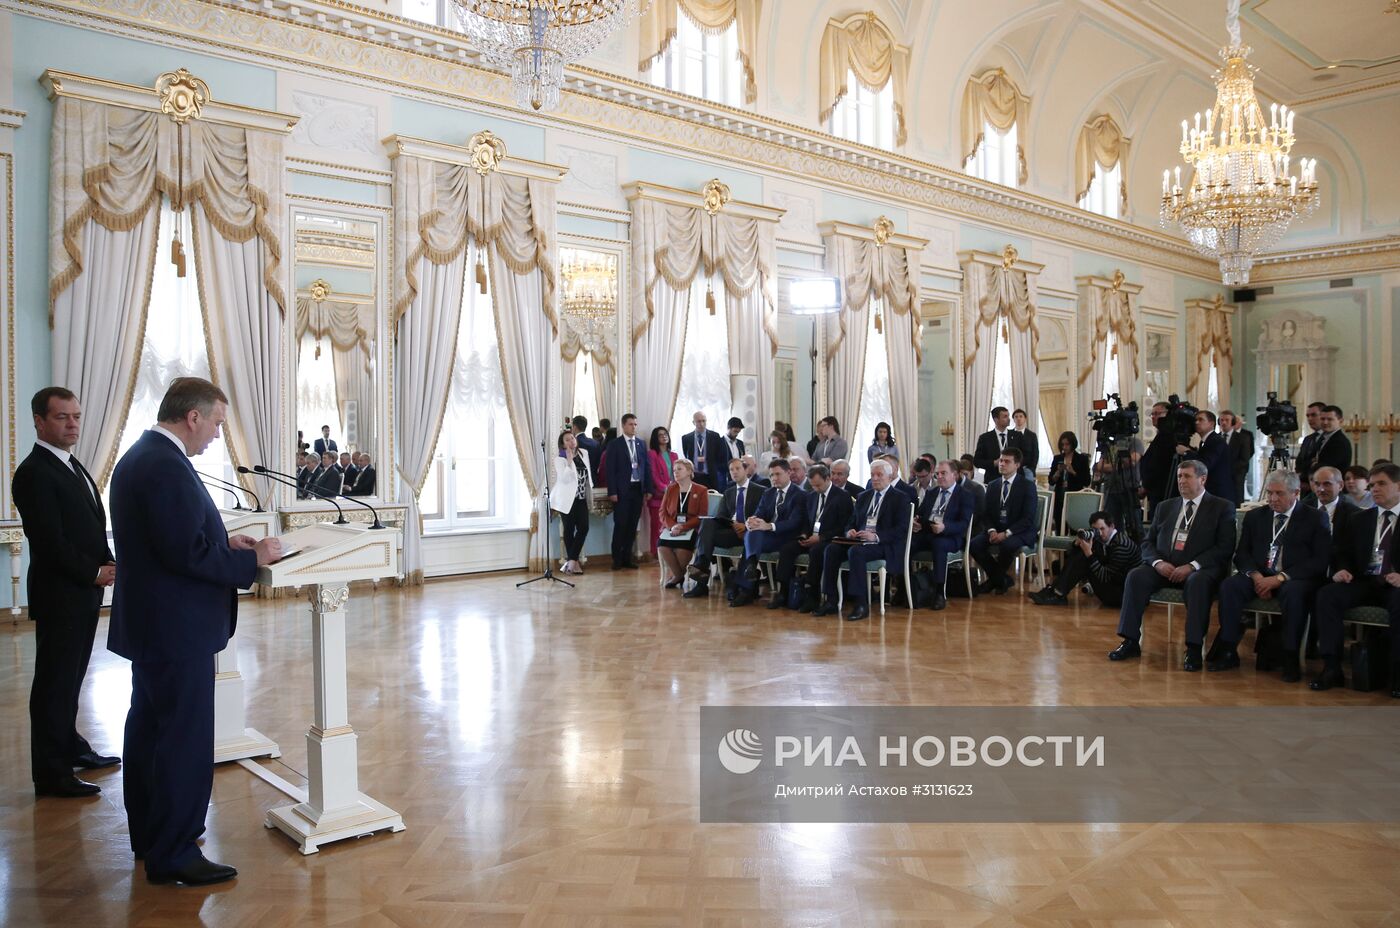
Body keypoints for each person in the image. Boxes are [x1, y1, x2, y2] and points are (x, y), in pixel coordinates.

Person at [108, 377, 283, 886]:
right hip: (175, 628)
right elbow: (184, 555)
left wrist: (225, 540)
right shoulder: (165, 465)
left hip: (156, 625)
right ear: (193, 417)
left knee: (149, 730)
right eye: (216, 424)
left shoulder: (141, 456)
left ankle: (151, 834)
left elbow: (173, 538)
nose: (215, 436)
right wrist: (251, 559)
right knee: (182, 738)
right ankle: (175, 851)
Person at [11, 387, 119, 799]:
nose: (72, 423)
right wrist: (94, 572)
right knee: (54, 683)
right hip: (62, 594)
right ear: (40, 421)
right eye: (62, 417)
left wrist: (106, 561)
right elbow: (49, 541)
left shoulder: (71, 465)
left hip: (81, 593)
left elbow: (89, 526)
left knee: (71, 680)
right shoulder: (34, 472)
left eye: (76, 415)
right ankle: (51, 773)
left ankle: (70, 746)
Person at [1108, 460, 1236, 672]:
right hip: (1165, 566)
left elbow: (1225, 547)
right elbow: (1147, 542)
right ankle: (1130, 641)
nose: (1181, 481)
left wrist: (1192, 566)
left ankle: (1194, 648)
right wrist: (1158, 563)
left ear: (1202, 479)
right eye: (1179, 476)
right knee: (1136, 576)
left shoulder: (1221, 507)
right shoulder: (1165, 506)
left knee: (1197, 583)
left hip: (1200, 569)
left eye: (1187, 476)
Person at [1215, 470, 1330, 678]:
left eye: (1279, 493)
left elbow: (1319, 561)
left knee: (1294, 594)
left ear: (1296, 493)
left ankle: (1290, 655)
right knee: (1230, 586)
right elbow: (1242, 554)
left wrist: (1279, 579)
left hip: (1294, 578)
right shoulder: (1255, 517)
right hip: (1259, 575)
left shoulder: (1315, 518)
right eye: (1269, 493)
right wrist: (1257, 577)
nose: (1273, 499)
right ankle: (1228, 648)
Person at [1309, 462, 1400, 694]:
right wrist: (1342, 568)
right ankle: (1331, 667)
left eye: (1381, 484)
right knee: (1328, 595)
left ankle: (1396, 673)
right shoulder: (1361, 518)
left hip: (1396, 585)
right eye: (1371, 485)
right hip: (1365, 581)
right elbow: (1343, 553)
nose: (1374, 489)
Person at [814, 459, 911, 622]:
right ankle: (830, 599)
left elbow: (901, 529)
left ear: (890, 476)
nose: (875, 478)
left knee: (856, 552)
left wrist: (876, 536)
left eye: (879, 475)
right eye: (872, 475)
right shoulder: (863, 496)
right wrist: (849, 531)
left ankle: (861, 603)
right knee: (831, 549)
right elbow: (852, 521)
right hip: (859, 540)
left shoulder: (900, 498)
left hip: (883, 544)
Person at [774, 464, 853, 613]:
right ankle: (784, 592)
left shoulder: (842, 496)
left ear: (828, 478)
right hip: (811, 536)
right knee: (787, 549)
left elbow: (843, 526)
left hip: (830, 539)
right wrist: (804, 534)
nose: (815, 488)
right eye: (812, 485)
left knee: (817, 551)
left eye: (818, 485)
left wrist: (821, 537)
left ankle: (813, 596)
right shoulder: (810, 496)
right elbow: (805, 521)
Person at [731, 459, 808, 607]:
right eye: (771, 475)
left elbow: (795, 522)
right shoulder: (768, 492)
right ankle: (751, 568)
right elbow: (759, 513)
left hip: (787, 536)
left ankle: (746, 589)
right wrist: (751, 521)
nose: (774, 478)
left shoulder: (799, 494)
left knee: (749, 543)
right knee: (752, 532)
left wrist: (770, 526)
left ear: (789, 473)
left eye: (778, 474)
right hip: (767, 536)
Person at [684, 457, 762, 598]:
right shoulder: (729, 492)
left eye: (738, 468)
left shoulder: (760, 490)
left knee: (705, 537)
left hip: (751, 534)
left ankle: (701, 570)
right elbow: (721, 517)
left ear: (746, 470)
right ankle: (701, 581)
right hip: (731, 533)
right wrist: (734, 525)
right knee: (707, 523)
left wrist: (745, 526)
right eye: (731, 470)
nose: (734, 472)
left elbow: (763, 515)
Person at [1029, 510, 1140, 608]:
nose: (1100, 533)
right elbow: (1072, 554)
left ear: (1112, 526)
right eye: (1096, 530)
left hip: (1123, 596)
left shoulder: (1121, 545)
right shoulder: (1104, 538)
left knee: (1085, 557)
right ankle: (1056, 592)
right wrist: (1077, 544)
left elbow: (1105, 576)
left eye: (1102, 528)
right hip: (1114, 586)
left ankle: (1056, 593)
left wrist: (1089, 553)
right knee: (1082, 551)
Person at [969, 447, 1039, 595]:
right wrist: (992, 530)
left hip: (1020, 531)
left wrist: (1006, 533)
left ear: (1017, 465)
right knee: (974, 545)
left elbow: (1028, 518)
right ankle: (1001, 579)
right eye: (1001, 460)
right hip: (996, 529)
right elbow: (986, 514)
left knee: (1007, 545)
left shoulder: (1027, 486)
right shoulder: (993, 485)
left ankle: (993, 581)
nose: (1002, 464)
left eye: (1007, 461)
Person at [911, 460, 975, 610]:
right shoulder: (932, 492)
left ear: (955, 475)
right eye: (937, 474)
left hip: (951, 537)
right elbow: (920, 514)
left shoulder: (965, 495)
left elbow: (964, 524)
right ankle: (907, 587)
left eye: (943, 473)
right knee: (907, 544)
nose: (939, 477)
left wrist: (945, 527)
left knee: (939, 545)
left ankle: (939, 592)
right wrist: (916, 521)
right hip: (928, 532)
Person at [605, 414, 653, 570]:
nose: (634, 427)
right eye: (631, 424)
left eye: (635, 424)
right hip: (621, 491)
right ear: (623, 426)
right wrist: (612, 491)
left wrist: (648, 489)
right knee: (621, 525)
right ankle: (616, 559)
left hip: (637, 490)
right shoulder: (615, 444)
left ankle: (627, 557)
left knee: (632, 525)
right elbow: (610, 470)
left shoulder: (640, 444)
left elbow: (646, 467)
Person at [657, 458, 707, 588]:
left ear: (689, 471)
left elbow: (702, 516)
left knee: (682, 550)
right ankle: (680, 575)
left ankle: (676, 577)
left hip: (692, 529)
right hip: (672, 528)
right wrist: (673, 526)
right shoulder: (671, 489)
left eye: (679, 469)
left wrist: (683, 527)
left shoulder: (701, 490)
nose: (676, 472)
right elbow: (662, 512)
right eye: (674, 470)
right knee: (662, 546)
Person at [551, 430, 593, 576]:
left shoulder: (584, 453)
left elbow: (588, 474)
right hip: (566, 499)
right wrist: (569, 461)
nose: (571, 441)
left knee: (584, 527)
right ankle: (574, 564)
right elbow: (565, 479)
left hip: (581, 498)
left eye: (572, 438)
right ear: (563, 444)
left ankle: (572, 561)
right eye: (567, 440)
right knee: (568, 530)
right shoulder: (559, 459)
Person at [1179, 410, 1234, 503]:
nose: (1196, 422)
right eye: (1196, 420)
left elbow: (1206, 463)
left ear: (1211, 423)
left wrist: (1186, 452)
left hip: (1218, 492)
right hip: (1212, 490)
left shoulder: (1216, 441)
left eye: (1201, 420)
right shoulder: (1205, 441)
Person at [1138, 401, 1176, 518]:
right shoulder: (1160, 435)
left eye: (1157, 414)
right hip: (1154, 491)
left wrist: (1146, 486)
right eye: (1152, 414)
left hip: (1162, 491)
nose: (1154, 417)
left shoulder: (1168, 436)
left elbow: (1158, 465)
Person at [646, 426, 678, 558]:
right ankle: (656, 552)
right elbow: (653, 474)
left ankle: (671, 550)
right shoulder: (652, 454)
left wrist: (675, 489)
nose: (664, 436)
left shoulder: (674, 455)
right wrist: (665, 488)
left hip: (673, 494)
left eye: (665, 434)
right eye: (660, 435)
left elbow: (677, 473)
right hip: (658, 495)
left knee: (672, 524)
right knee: (657, 526)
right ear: (655, 438)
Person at [1048, 431, 1090, 530]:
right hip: (1060, 495)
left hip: (1075, 496)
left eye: (1067, 444)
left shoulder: (1081, 459)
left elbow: (1086, 481)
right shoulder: (1057, 458)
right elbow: (1051, 481)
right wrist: (1058, 472)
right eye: (1062, 444)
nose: (1064, 447)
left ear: (1073, 444)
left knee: (1075, 525)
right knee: (1059, 524)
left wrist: (1073, 472)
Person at [682, 411, 729, 491]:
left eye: (704, 421)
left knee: (711, 501)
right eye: (699, 421)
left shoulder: (715, 436)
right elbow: (686, 456)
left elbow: (719, 456)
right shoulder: (686, 438)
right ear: (694, 422)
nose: (702, 424)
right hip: (694, 477)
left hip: (710, 476)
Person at [1306, 466, 1358, 535]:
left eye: (1327, 484)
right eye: (1317, 484)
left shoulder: (1354, 514)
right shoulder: (1302, 509)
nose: (1321, 489)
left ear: (1340, 485)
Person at [1218, 410, 1255, 503]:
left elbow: (1244, 459)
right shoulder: (1216, 438)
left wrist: (1227, 470)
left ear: (1233, 422)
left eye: (1227, 420)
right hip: (1218, 480)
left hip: (1236, 477)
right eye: (1221, 420)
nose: (1224, 422)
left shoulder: (1243, 438)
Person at [973, 407, 1014, 483]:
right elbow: (977, 461)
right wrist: (994, 463)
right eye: (1005, 416)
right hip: (993, 479)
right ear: (996, 420)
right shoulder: (985, 438)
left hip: (1014, 479)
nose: (1008, 419)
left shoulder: (1017, 436)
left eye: (1008, 416)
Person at [1294, 401, 1329, 481]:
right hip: (1303, 485)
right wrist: (1310, 462)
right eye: (1308, 416)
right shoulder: (1307, 439)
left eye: (1313, 415)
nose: (1309, 419)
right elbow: (1299, 463)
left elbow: (1321, 464)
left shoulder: (1328, 439)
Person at [955, 458, 987, 534]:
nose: (964, 477)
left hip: (972, 528)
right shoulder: (951, 486)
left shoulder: (977, 488)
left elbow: (979, 514)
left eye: (965, 474)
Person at [572, 416, 602, 481]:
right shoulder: (595, 443)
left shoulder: (573, 443)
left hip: (578, 480)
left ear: (574, 427)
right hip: (594, 478)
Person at [1012, 408, 1040, 474]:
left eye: (1021, 416)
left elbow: (1035, 453)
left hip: (1028, 468)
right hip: (1013, 469)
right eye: (1016, 417)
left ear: (1025, 419)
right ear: (1013, 419)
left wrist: (1032, 468)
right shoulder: (1009, 434)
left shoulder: (1032, 435)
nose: (1018, 418)